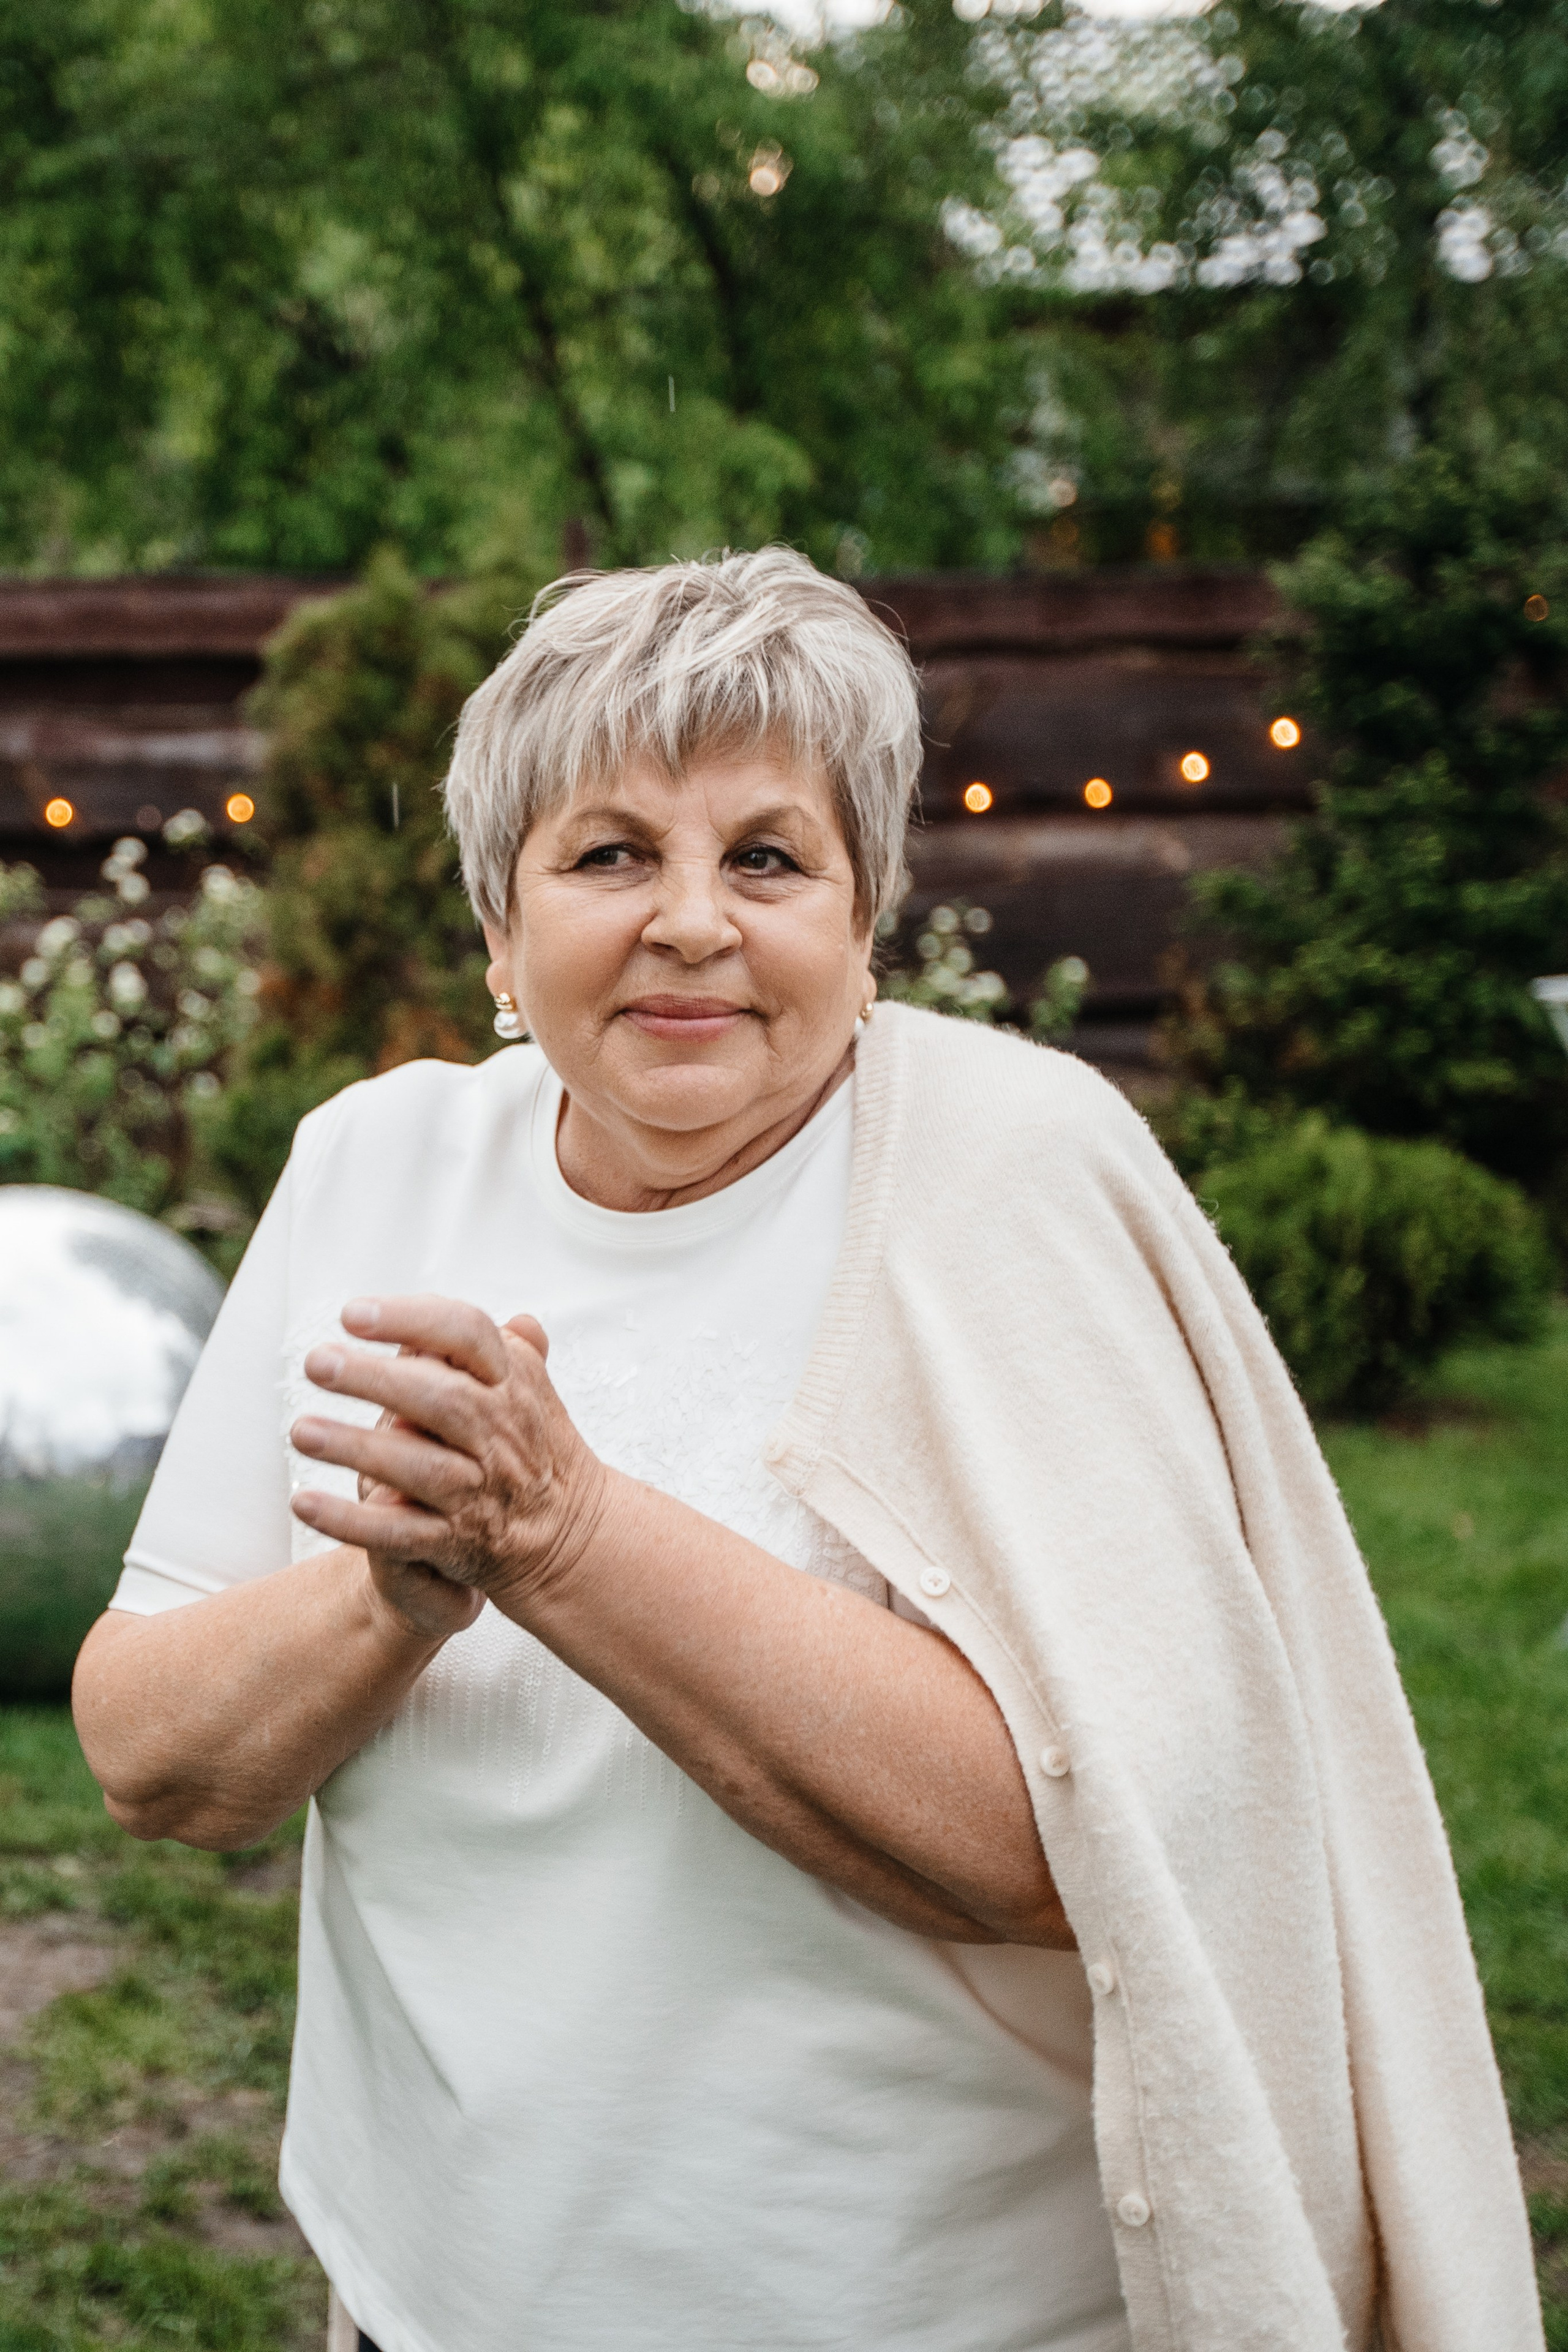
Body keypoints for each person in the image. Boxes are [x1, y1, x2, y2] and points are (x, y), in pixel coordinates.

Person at [74, 549, 1540, 2352]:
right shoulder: (379, 1169)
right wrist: (391, 1596)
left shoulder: (1007, 1181)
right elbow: (154, 1758)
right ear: (497, 931)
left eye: (766, 857)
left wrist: (568, 1536)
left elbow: (1071, 1834)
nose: (693, 919)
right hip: (443, 2302)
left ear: (866, 921)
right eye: (612, 853)